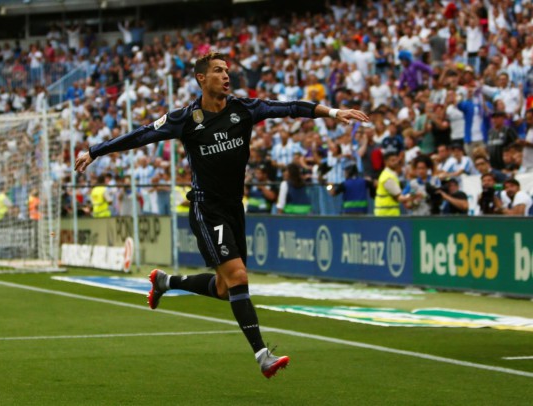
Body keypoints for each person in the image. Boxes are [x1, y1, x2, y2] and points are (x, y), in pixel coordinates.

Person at [74, 52, 369, 378]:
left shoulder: (244, 109)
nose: (226, 76)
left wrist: (333, 111)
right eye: (218, 71)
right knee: (239, 277)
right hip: (205, 207)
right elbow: (142, 134)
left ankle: (165, 281)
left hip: (233, 208)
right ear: (202, 78)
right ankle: (263, 356)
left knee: (225, 289)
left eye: (227, 70)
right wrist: (95, 151)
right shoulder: (186, 118)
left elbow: (290, 108)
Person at [374, 151, 406, 216]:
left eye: (396, 160)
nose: (396, 162)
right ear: (386, 162)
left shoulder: (389, 174)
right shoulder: (387, 178)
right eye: (392, 160)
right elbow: (399, 197)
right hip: (386, 215)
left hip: (388, 214)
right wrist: (412, 196)